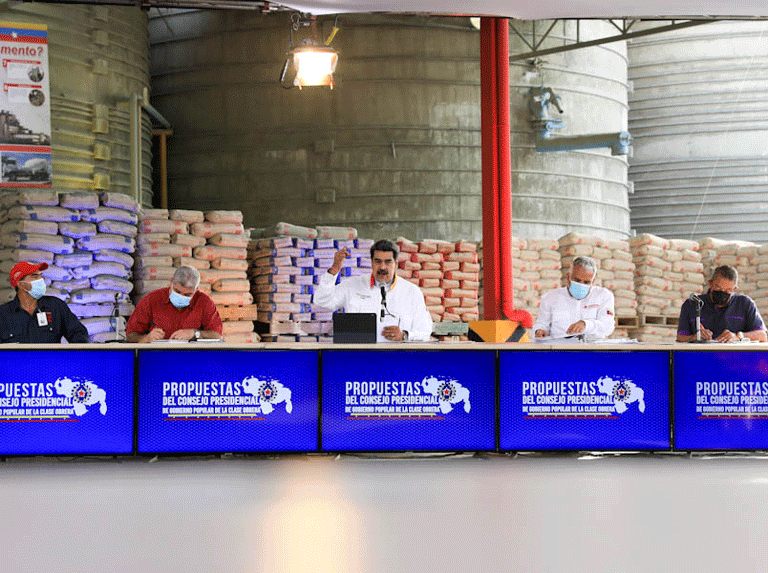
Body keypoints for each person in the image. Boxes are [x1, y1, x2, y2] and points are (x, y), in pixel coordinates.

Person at [314, 238, 433, 342]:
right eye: (378, 261)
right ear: (371, 263)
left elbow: (425, 331)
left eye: (388, 262)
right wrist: (333, 270)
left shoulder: (411, 292)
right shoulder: (352, 285)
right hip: (359, 356)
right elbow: (321, 301)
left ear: (396, 264)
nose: (382, 267)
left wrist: (405, 335)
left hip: (397, 357)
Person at [126, 265, 223, 343]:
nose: (181, 297)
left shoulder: (204, 302)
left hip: (192, 357)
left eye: (188, 294)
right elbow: (130, 336)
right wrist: (147, 338)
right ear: (171, 282)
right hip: (157, 356)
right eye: (177, 291)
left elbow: (217, 335)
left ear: (196, 290)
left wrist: (195, 333)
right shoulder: (151, 300)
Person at [0, 261, 89, 343]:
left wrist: (76, 351)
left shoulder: (55, 306)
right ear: (21, 284)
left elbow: (78, 333)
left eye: (41, 276)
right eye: (34, 276)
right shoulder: (3, 314)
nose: (41, 280)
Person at [677, 265, 766, 343]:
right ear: (710, 284)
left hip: (734, 355)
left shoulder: (745, 304)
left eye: (728, 290)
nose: (722, 293)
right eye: (718, 288)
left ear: (734, 289)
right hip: (701, 354)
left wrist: (738, 336)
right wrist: (694, 337)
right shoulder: (692, 304)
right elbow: (680, 337)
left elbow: (763, 335)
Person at [533, 255, 615, 340]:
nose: (581, 285)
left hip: (592, 346)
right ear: (568, 277)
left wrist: (586, 324)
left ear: (593, 281)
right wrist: (539, 331)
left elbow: (608, 327)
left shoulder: (604, 296)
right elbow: (541, 324)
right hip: (560, 346)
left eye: (586, 282)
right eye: (577, 280)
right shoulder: (550, 297)